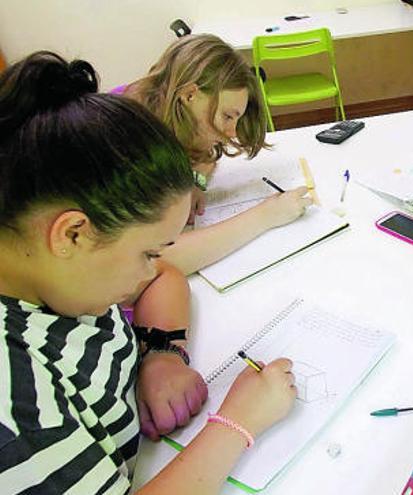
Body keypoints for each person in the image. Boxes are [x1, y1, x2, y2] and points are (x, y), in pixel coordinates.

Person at [0, 52, 296, 493]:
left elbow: (164, 277)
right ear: (73, 233)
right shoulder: (16, 403)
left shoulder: (52, 274)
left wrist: (160, 355)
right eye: (145, 253)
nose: (149, 270)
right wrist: (237, 422)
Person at [121, 34, 312, 275]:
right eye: (227, 116)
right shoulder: (131, 143)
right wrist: (267, 215)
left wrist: (196, 180)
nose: (232, 132)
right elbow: (152, 260)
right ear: (190, 95)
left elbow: (206, 155)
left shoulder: (169, 108)